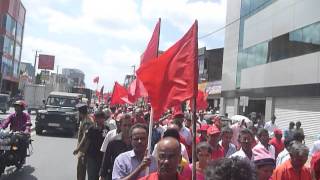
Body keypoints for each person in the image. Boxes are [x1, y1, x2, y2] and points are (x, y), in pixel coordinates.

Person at [74, 111, 107, 180]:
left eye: (102, 118)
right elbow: (86, 140)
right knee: (92, 176)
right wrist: (80, 150)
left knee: (101, 176)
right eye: (99, 118)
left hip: (102, 157)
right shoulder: (92, 128)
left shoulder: (106, 129)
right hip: (92, 156)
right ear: (96, 119)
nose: (101, 120)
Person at [99, 113, 133, 180]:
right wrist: (102, 176)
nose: (127, 128)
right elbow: (106, 161)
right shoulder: (113, 142)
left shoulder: (136, 142)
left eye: (129, 125)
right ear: (120, 126)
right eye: (125, 125)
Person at [0, 100, 31, 165]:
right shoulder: (12, 115)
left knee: (22, 143)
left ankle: (22, 158)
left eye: (18, 107)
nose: (16, 108)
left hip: (22, 134)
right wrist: (2, 127)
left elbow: (28, 125)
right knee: (3, 144)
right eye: (16, 106)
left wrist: (26, 131)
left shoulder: (26, 115)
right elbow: (6, 122)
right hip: (12, 134)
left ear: (22, 108)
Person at [73, 103, 93, 180]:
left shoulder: (87, 121)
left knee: (81, 172)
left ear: (80, 112)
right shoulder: (85, 119)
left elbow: (87, 137)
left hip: (84, 150)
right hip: (83, 150)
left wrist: (80, 150)